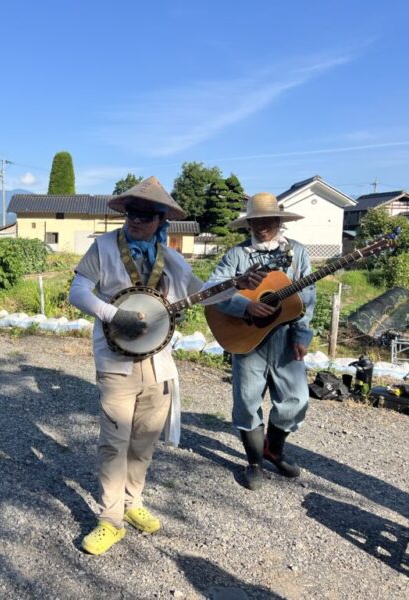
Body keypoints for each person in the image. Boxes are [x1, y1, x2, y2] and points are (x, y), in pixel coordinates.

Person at [68, 177, 261, 556]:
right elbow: (78, 291)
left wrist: (239, 287)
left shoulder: (171, 258)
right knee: (114, 442)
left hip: (158, 363)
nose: (137, 220)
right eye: (132, 213)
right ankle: (110, 519)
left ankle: (133, 502)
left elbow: (203, 293)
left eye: (147, 215)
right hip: (115, 362)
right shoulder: (103, 247)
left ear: (161, 220)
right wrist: (113, 315)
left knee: (144, 441)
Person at [204, 192, 316, 491]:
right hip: (248, 336)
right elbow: (212, 290)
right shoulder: (236, 255)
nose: (262, 226)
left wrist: (302, 334)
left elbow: (307, 298)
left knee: (296, 400)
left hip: (285, 336)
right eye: (256, 220)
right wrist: (245, 306)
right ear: (248, 223)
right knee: (247, 400)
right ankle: (254, 462)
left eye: (268, 220)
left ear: (279, 221)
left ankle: (273, 450)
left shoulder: (298, 253)